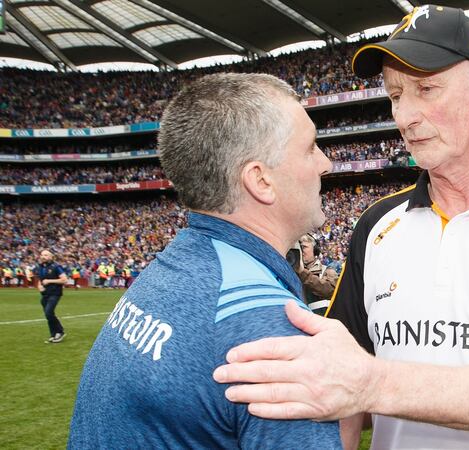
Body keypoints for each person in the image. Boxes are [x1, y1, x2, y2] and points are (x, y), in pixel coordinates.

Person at [213, 6, 469, 449]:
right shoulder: (376, 225)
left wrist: (371, 382)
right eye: (395, 95)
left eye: (426, 89)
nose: (405, 116)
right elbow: (341, 396)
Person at [68, 73, 341, 449]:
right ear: (260, 181)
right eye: (311, 147)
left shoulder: (168, 270)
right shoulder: (270, 332)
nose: (325, 163)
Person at [295, 233, 338, 315]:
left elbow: (330, 291)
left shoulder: (327, 271)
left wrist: (302, 272)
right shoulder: (293, 271)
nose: (300, 251)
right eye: (299, 248)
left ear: (315, 250)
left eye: (304, 247)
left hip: (321, 322)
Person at [38, 250, 68, 343]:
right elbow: (40, 280)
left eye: (46, 255)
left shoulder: (56, 267)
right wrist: (39, 286)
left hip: (55, 293)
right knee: (49, 315)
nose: (43, 256)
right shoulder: (41, 267)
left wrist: (49, 281)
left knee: (48, 313)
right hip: (45, 294)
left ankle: (60, 331)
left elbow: (64, 280)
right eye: (42, 255)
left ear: (51, 257)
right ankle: (53, 334)